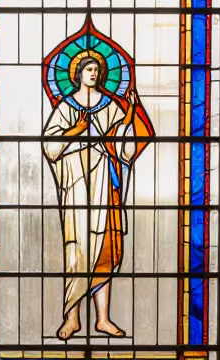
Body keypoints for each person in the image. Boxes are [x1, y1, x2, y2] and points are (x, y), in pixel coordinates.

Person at [43, 53, 151, 341]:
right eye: (89, 69)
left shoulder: (111, 107)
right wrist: (76, 132)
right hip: (77, 190)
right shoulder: (66, 108)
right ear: (77, 73)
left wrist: (130, 116)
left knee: (105, 253)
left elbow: (124, 145)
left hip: (106, 187)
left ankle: (102, 319)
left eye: (97, 70)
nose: (94, 73)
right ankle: (72, 318)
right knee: (77, 252)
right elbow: (51, 148)